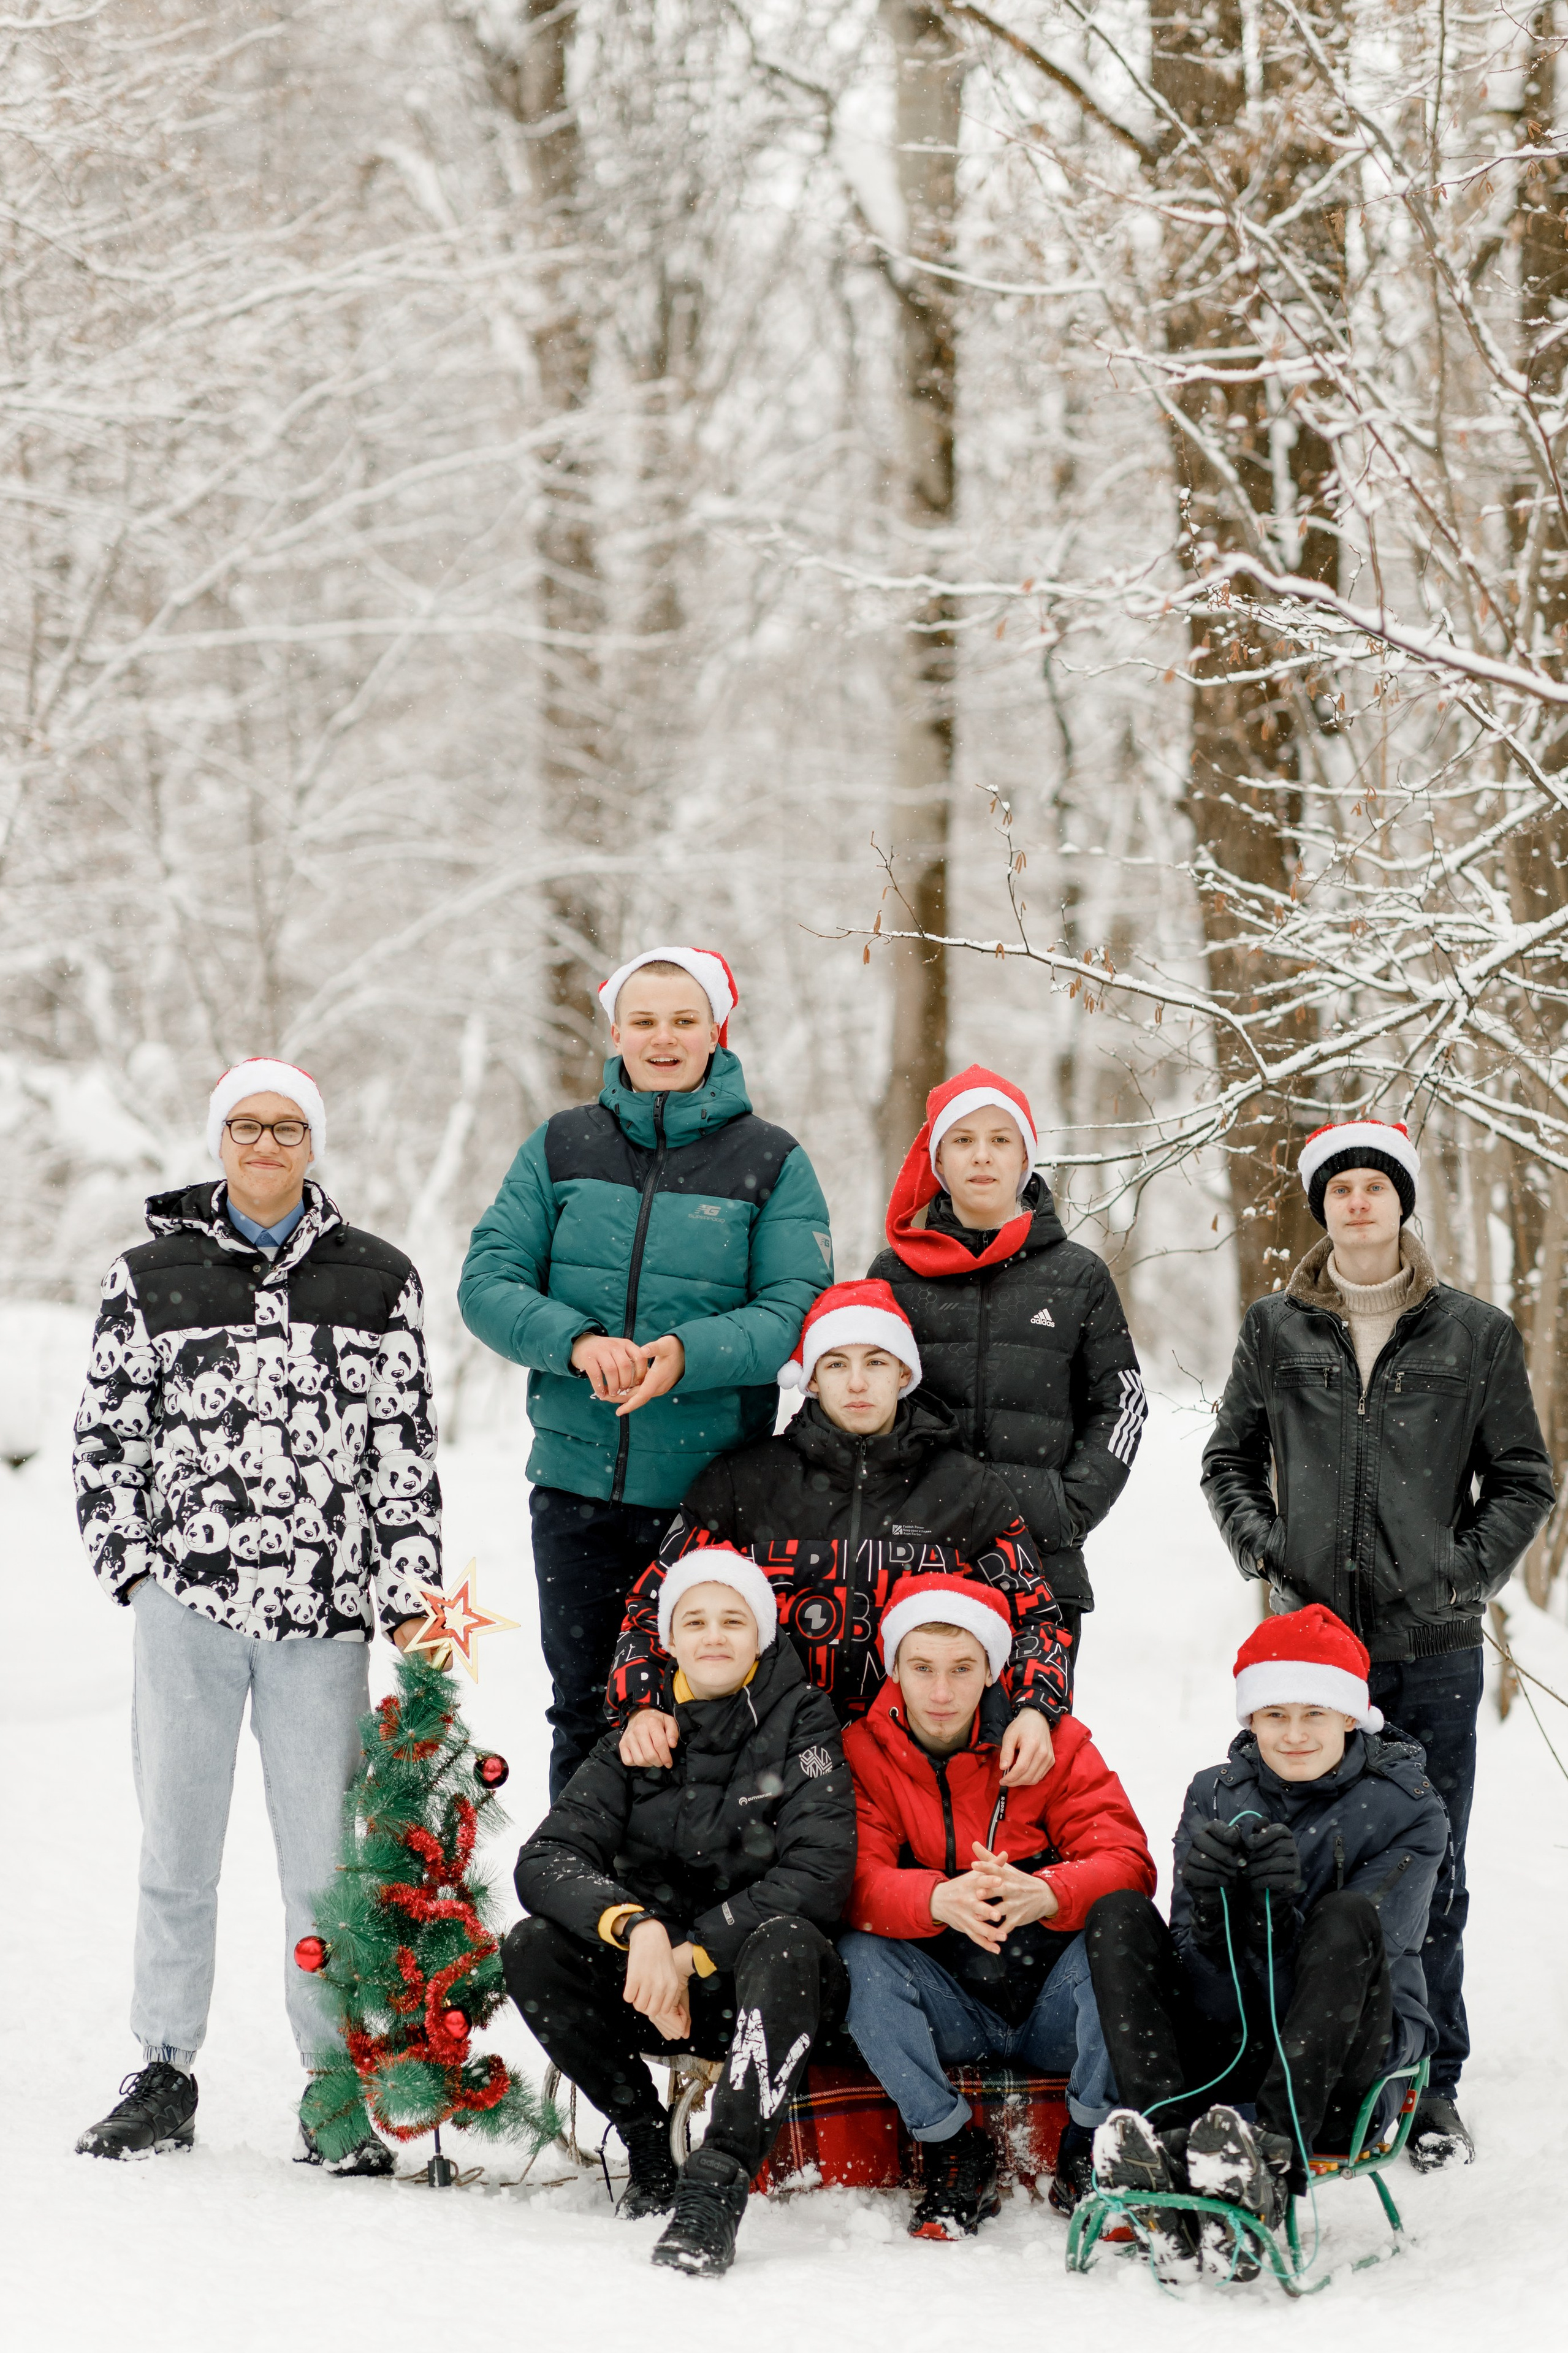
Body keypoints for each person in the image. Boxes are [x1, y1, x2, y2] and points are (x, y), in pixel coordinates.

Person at [71, 1058, 441, 2173]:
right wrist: (133, 1567)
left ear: (312, 1143)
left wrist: (407, 1591)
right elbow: (106, 1437)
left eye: (287, 1126)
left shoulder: (377, 1278)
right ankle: (164, 2066)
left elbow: (404, 1453)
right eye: (246, 1124)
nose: (266, 1143)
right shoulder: (150, 1275)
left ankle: (333, 2083)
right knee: (177, 1845)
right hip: (187, 1607)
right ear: (219, 1140)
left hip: (323, 1618)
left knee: (323, 1865)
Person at [1200, 1116, 1554, 2167]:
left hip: (1430, 1645)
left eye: (1375, 1185)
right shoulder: (1276, 1327)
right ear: (1322, 1207)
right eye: (1340, 1187)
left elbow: (1524, 1475)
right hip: (1306, 1654)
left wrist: (1459, 1571)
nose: (1358, 1202)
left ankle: (1428, 2078)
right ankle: (1303, 2067)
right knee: (1297, 1859)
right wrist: (1265, 1553)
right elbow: (1226, 1455)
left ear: (1402, 1202)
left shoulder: (1471, 1332)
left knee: (1428, 1863)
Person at [459, 947, 833, 1797]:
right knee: (585, 1711)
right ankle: (583, 1913)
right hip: (576, 1492)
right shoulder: (562, 1144)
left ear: (714, 1029)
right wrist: (578, 1342)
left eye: (683, 1018)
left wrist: (687, 1356)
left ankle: (692, 1919)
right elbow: (486, 1282)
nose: (663, 1037)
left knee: (705, 1711)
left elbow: (794, 1309)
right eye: (645, 1019)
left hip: (707, 1498)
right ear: (616, 1029)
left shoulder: (771, 1160)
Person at [504, 1548, 854, 2277]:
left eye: (733, 1619)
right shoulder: (637, 1735)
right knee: (533, 1945)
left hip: (760, 1994)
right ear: (667, 1638)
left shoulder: (804, 1720)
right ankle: (644, 2140)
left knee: (789, 1939)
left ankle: (715, 2183)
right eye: (694, 1620)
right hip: (649, 1988)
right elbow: (545, 1860)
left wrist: (690, 1952)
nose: (714, 1635)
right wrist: (638, 1929)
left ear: (761, 1633)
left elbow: (819, 1873)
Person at [1083, 1605, 1450, 2284]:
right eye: (1274, 1713)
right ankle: (1166, 2143)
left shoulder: (1409, 1807)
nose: (1294, 1733)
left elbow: (1372, 1949)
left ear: (1350, 1715)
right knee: (1117, 1914)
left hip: (1343, 2061)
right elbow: (1194, 1957)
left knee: (1342, 1915)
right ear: (1249, 1720)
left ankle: (1271, 2159)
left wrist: (1276, 1915)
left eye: (1314, 1712)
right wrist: (1219, 1903)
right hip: (1226, 2041)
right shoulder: (1213, 1793)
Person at [609, 1279, 1073, 1771]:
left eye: (875, 1361)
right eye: (836, 1363)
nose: (857, 1383)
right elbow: (652, 1607)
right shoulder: (741, 1482)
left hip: (918, 1767)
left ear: (903, 1373)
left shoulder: (969, 1491)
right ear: (810, 1379)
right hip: (762, 1760)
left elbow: (1037, 1618)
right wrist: (642, 1705)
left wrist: (1035, 1709)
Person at [837, 1574, 1155, 2238]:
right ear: (894, 1666)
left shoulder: (1055, 1743)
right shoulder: (864, 1751)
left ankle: (1089, 2145)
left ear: (992, 1668)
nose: (942, 1692)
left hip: (1051, 2005)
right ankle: (953, 2144)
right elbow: (852, 1882)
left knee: (1124, 1932)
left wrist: (1050, 1890)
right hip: (947, 2003)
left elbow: (1127, 1860)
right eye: (921, 1668)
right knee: (857, 1955)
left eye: (961, 1668)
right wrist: (933, 1896)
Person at [867, 1066, 1145, 1676]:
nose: (981, 1155)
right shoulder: (892, 1274)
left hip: (1039, 1556)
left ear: (1024, 1154)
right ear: (937, 1158)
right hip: (915, 1553)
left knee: (1031, 1746)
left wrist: (1065, 1506)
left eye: (999, 1138)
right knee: (911, 1753)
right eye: (961, 1140)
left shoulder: (1077, 1274)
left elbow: (1121, 1403)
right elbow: (860, 1398)